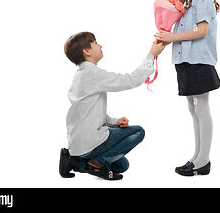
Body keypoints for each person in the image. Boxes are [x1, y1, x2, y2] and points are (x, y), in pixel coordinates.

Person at [59, 31, 165, 180]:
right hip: (89, 140)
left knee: (121, 166)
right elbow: (131, 80)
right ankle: (98, 163)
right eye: (95, 43)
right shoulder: (92, 73)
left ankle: (74, 161)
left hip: (78, 144)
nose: (100, 45)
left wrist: (115, 122)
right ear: (86, 51)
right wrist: (151, 55)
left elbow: (89, 113)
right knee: (138, 132)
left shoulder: (80, 75)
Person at [154, 0, 220, 176]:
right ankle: (197, 156)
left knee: (201, 107)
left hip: (199, 60)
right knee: (193, 108)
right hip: (184, 60)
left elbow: (202, 30)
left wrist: (172, 37)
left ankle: (203, 160)